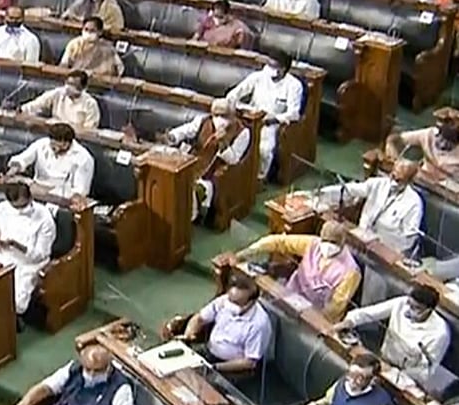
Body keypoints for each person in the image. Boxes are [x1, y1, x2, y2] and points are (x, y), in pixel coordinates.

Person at [232, 220, 361, 321]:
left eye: (332, 243)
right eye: (324, 240)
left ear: (341, 244)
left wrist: (309, 320)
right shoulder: (314, 244)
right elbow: (279, 242)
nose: (327, 246)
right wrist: (248, 252)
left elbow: (334, 308)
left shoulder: (350, 271)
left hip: (315, 315)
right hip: (290, 296)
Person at [295, 159, 423, 256]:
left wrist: (381, 242)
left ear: (409, 182)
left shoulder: (414, 203)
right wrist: (321, 193)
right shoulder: (379, 184)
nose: (393, 182)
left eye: (399, 180)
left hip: (384, 253)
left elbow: (408, 240)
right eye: (393, 176)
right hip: (359, 239)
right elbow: (350, 190)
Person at [333, 283, 450, 386]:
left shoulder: (439, 334)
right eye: (409, 303)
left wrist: (394, 372)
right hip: (382, 360)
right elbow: (369, 313)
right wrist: (349, 322)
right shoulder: (402, 303)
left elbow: (425, 372)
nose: (409, 309)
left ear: (429, 310)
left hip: (405, 378)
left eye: (416, 308)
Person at [162, 98, 250, 221]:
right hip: (192, 162)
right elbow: (186, 130)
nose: (219, 119)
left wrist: (223, 143)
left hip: (214, 173)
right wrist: (173, 136)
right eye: (216, 115)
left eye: (224, 116)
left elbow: (234, 160)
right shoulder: (204, 121)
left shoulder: (243, 132)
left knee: (190, 189)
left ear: (232, 116)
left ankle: (186, 220)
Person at [226, 49, 303, 180]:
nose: (269, 68)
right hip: (249, 117)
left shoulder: (294, 85)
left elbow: (294, 113)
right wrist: (233, 106)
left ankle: (260, 178)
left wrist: (272, 120)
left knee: (264, 150)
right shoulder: (258, 76)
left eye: (273, 66)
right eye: (268, 64)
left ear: (283, 69)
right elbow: (234, 93)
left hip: (271, 123)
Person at [0, 182, 57, 316]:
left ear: (30, 199)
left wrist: (17, 245)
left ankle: (10, 322)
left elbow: (42, 254)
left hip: (28, 264)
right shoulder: (2, 208)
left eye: (22, 206)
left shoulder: (45, 218)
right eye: (15, 207)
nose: (19, 211)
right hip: (2, 256)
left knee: (15, 301)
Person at [10, 343, 136, 405]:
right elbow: (46, 387)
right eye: (88, 369)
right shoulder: (75, 367)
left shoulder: (121, 388)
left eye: (97, 370)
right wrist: (24, 404)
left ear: (108, 367)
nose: (91, 374)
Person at [180, 274, 272, 374]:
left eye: (237, 303)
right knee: (178, 366)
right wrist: (188, 335)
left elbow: (249, 362)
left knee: (200, 383)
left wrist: (214, 368)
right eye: (230, 300)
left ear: (251, 302)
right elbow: (199, 319)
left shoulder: (259, 324)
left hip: (233, 368)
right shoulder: (224, 301)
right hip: (209, 352)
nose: (231, 304)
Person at [6, 123, 95, 200]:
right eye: (52, 144)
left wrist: (47, 191)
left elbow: (80, 192)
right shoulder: (42, 144)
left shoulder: (84, 158)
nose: (53, 148)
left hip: (59, 198)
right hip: (34, 190)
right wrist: (15, 167)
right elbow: (22, 158)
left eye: (57, 145)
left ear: (67, 143)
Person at [300, 352, 396, 405]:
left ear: (373, 380)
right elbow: (328, 401)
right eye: (351, 374)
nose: (352, 380)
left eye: (360, 377)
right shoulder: (341, 383)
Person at [385, 116, 459, 181]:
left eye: (449, 143)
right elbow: (395, 139)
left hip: (445, 191)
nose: (443, 144)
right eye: (441, 139)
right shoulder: (429, 134)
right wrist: (396, 159)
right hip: (419, 179)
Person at [20, 71, 100, 129]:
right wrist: (21, 109)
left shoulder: (90, 104)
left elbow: (89, 130)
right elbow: (37, 104)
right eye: (68, 83)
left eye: (73, 85)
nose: (68, 87)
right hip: (54, 130)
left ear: (83, 88)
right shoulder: (58, 93)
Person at [59, 16, 124, 77]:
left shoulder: (108, 48)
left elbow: (120, 69)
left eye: (92, 30)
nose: (88, 33)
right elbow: (64, 65)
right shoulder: (74, 44)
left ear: (100, 32)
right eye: (86, 29)